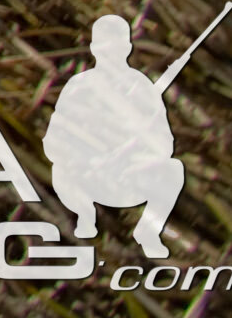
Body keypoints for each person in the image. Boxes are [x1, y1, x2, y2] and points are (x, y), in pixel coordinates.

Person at [46, 14, 189, 256]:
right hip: (90, 172)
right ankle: (87, 221)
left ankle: (149, 231)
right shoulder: (79, 86)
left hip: (133, 171)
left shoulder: (140, 86)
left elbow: (165, 143)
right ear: (93, 48)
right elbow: (53, 141)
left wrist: (137, 149)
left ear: (127, 47)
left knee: (174, 169)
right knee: (61, 174)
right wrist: (88, 159)